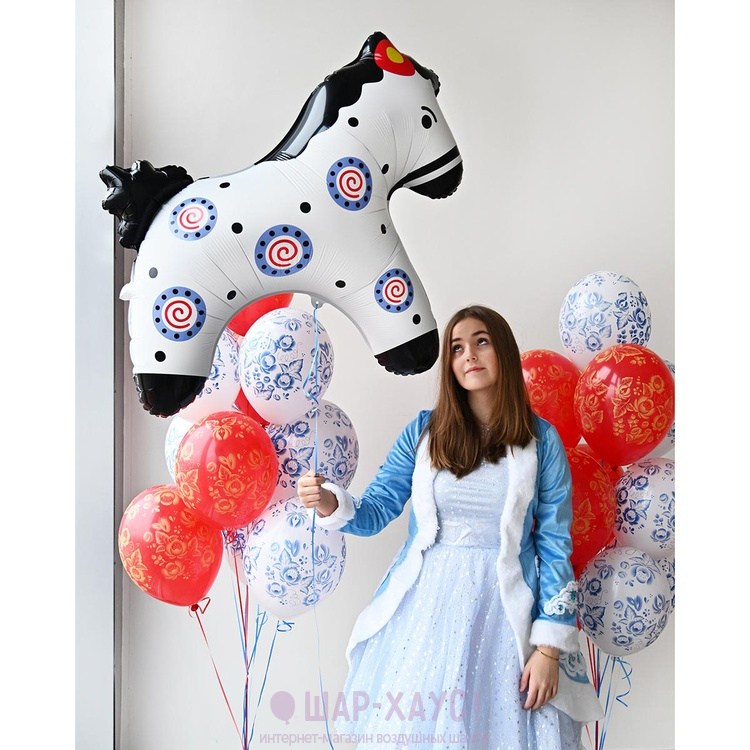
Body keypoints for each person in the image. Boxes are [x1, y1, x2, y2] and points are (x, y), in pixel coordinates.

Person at [298, 305, 603, 750]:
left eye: (481, 342)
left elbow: (555, 545)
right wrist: (330, 501)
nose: (469, 355)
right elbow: (377, 508)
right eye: (457, 348)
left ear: (504, 352)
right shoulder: (424, 433)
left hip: (504, 615)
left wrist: (548, 649)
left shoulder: (542, 441)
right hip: (426, 613)